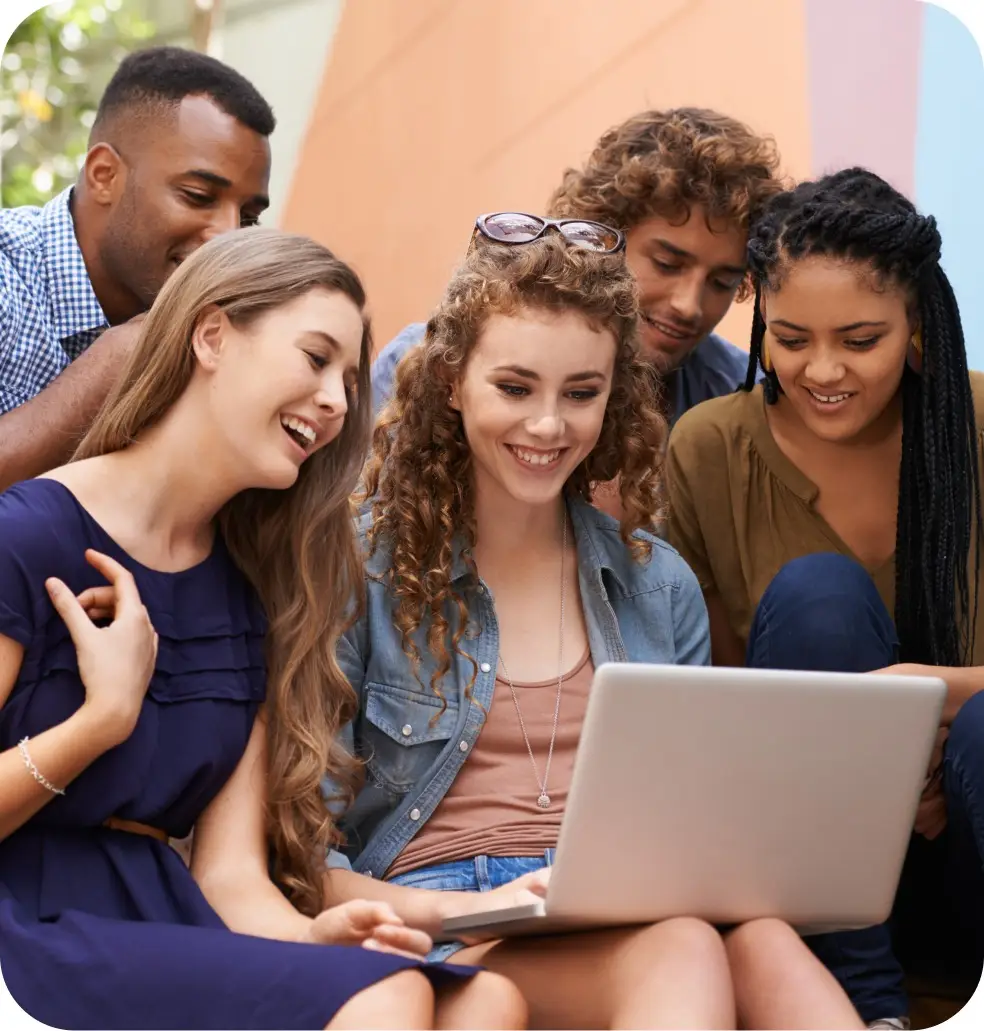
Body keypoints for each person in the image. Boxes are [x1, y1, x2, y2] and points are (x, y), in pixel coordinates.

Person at [325, 220, 865, 1029]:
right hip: (446, 920)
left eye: (582, 392)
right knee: (684, 943)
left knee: (766, 942)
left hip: (625, 908)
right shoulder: (358, 567)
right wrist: (467, 906)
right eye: (514, 387)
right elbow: (301, 853)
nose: (549, 426)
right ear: (450, 383)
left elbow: (694, 825)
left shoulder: (659, 585)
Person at [0, 228, 526, 1031]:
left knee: (485, 997)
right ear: (211, 335)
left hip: (167, 920)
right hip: (32, 924)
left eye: (348, 381)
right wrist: (100, 720)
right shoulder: (27, 537)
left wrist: (314, 935)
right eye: (315, 358)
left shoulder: (247, 592)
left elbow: (232, 875)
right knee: (391, 997)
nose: (337, 401)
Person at [665, 168, 984, 1029]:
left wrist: (918, 701)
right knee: (818, 597)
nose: (824, 369)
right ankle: (861, 1009)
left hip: (969, 833)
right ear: (763, 314)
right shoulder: (709, 451)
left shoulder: (976, 424)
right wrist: (857, 760)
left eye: (861, 338)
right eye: (794, 338)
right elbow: (717, 707)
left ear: (916, 319)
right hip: (809, 870)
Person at [371, 107, 784, 427]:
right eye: (667, 263)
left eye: (722, 281)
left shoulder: (742, 395)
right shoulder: (423, 365)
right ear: (599, 235)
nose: (689, 305)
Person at [0, 45, 275, 492]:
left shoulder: (214, 335)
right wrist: (116, 360)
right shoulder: (7, 276)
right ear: (104, 174)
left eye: (247, 218)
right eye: (198, 196)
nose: (228, 236)